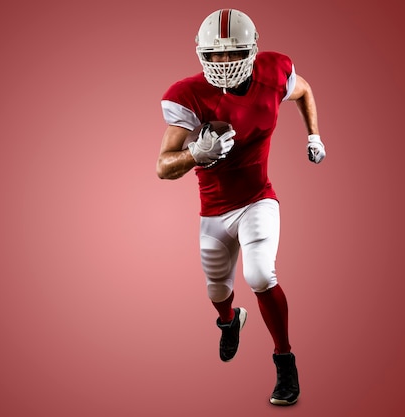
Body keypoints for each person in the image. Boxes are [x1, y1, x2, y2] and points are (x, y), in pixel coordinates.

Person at [156, 8, 326, 406]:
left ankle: (285, 361)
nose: (222, 63)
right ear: (201, 54)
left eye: (231, 54)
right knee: (217, 288)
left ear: (252, 51)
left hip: (257, 198)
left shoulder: (273, 72)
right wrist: (196, 154)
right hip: (213, 209)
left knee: (260, 274)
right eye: (214, 55)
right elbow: (163, 166)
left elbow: (302, 90)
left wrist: (314, 136)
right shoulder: (191, 94)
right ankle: (229, 322)